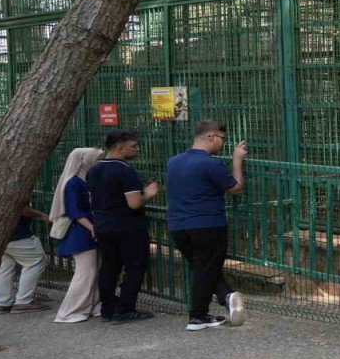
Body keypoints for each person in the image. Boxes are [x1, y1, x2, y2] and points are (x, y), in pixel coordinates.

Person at [166, 121, 249, 331]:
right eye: (222, 139)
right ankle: (198, 316)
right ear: (211, 137)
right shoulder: (211, 164)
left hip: (178, 225)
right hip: (208, 223)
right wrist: (237, 160)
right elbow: (236, 187)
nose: (222, 143)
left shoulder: (173, 162)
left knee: (203, 267)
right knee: (205, 267)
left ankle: (226, 296)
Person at [87, 129, 160, 325]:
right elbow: (134, 203)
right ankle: (125, 309)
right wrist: (148, 194)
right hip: (127, 226)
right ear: (120, 147)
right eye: (133, 146)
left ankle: (108, 309)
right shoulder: (124, 170)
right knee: (135, 267)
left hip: (103, 224)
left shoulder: (94, 170)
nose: (137, 149)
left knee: (109, 268)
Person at [51, 147, 104, 323]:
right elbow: (75, 211)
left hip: (85, 229)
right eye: (95, 159)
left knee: (92, 271)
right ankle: (70, 311)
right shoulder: (73, 183)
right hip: (80, 231)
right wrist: (91, 227)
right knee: (85, 272)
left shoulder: (82, 180)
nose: (98, 162)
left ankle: (91, 306)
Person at [0, 202, 52, 314]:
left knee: (4, 268)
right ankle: (24, 301)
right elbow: (19, 208)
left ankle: (3, 302)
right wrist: (41, 215)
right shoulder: (13, 187)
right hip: (18, 235)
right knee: (36, 262)